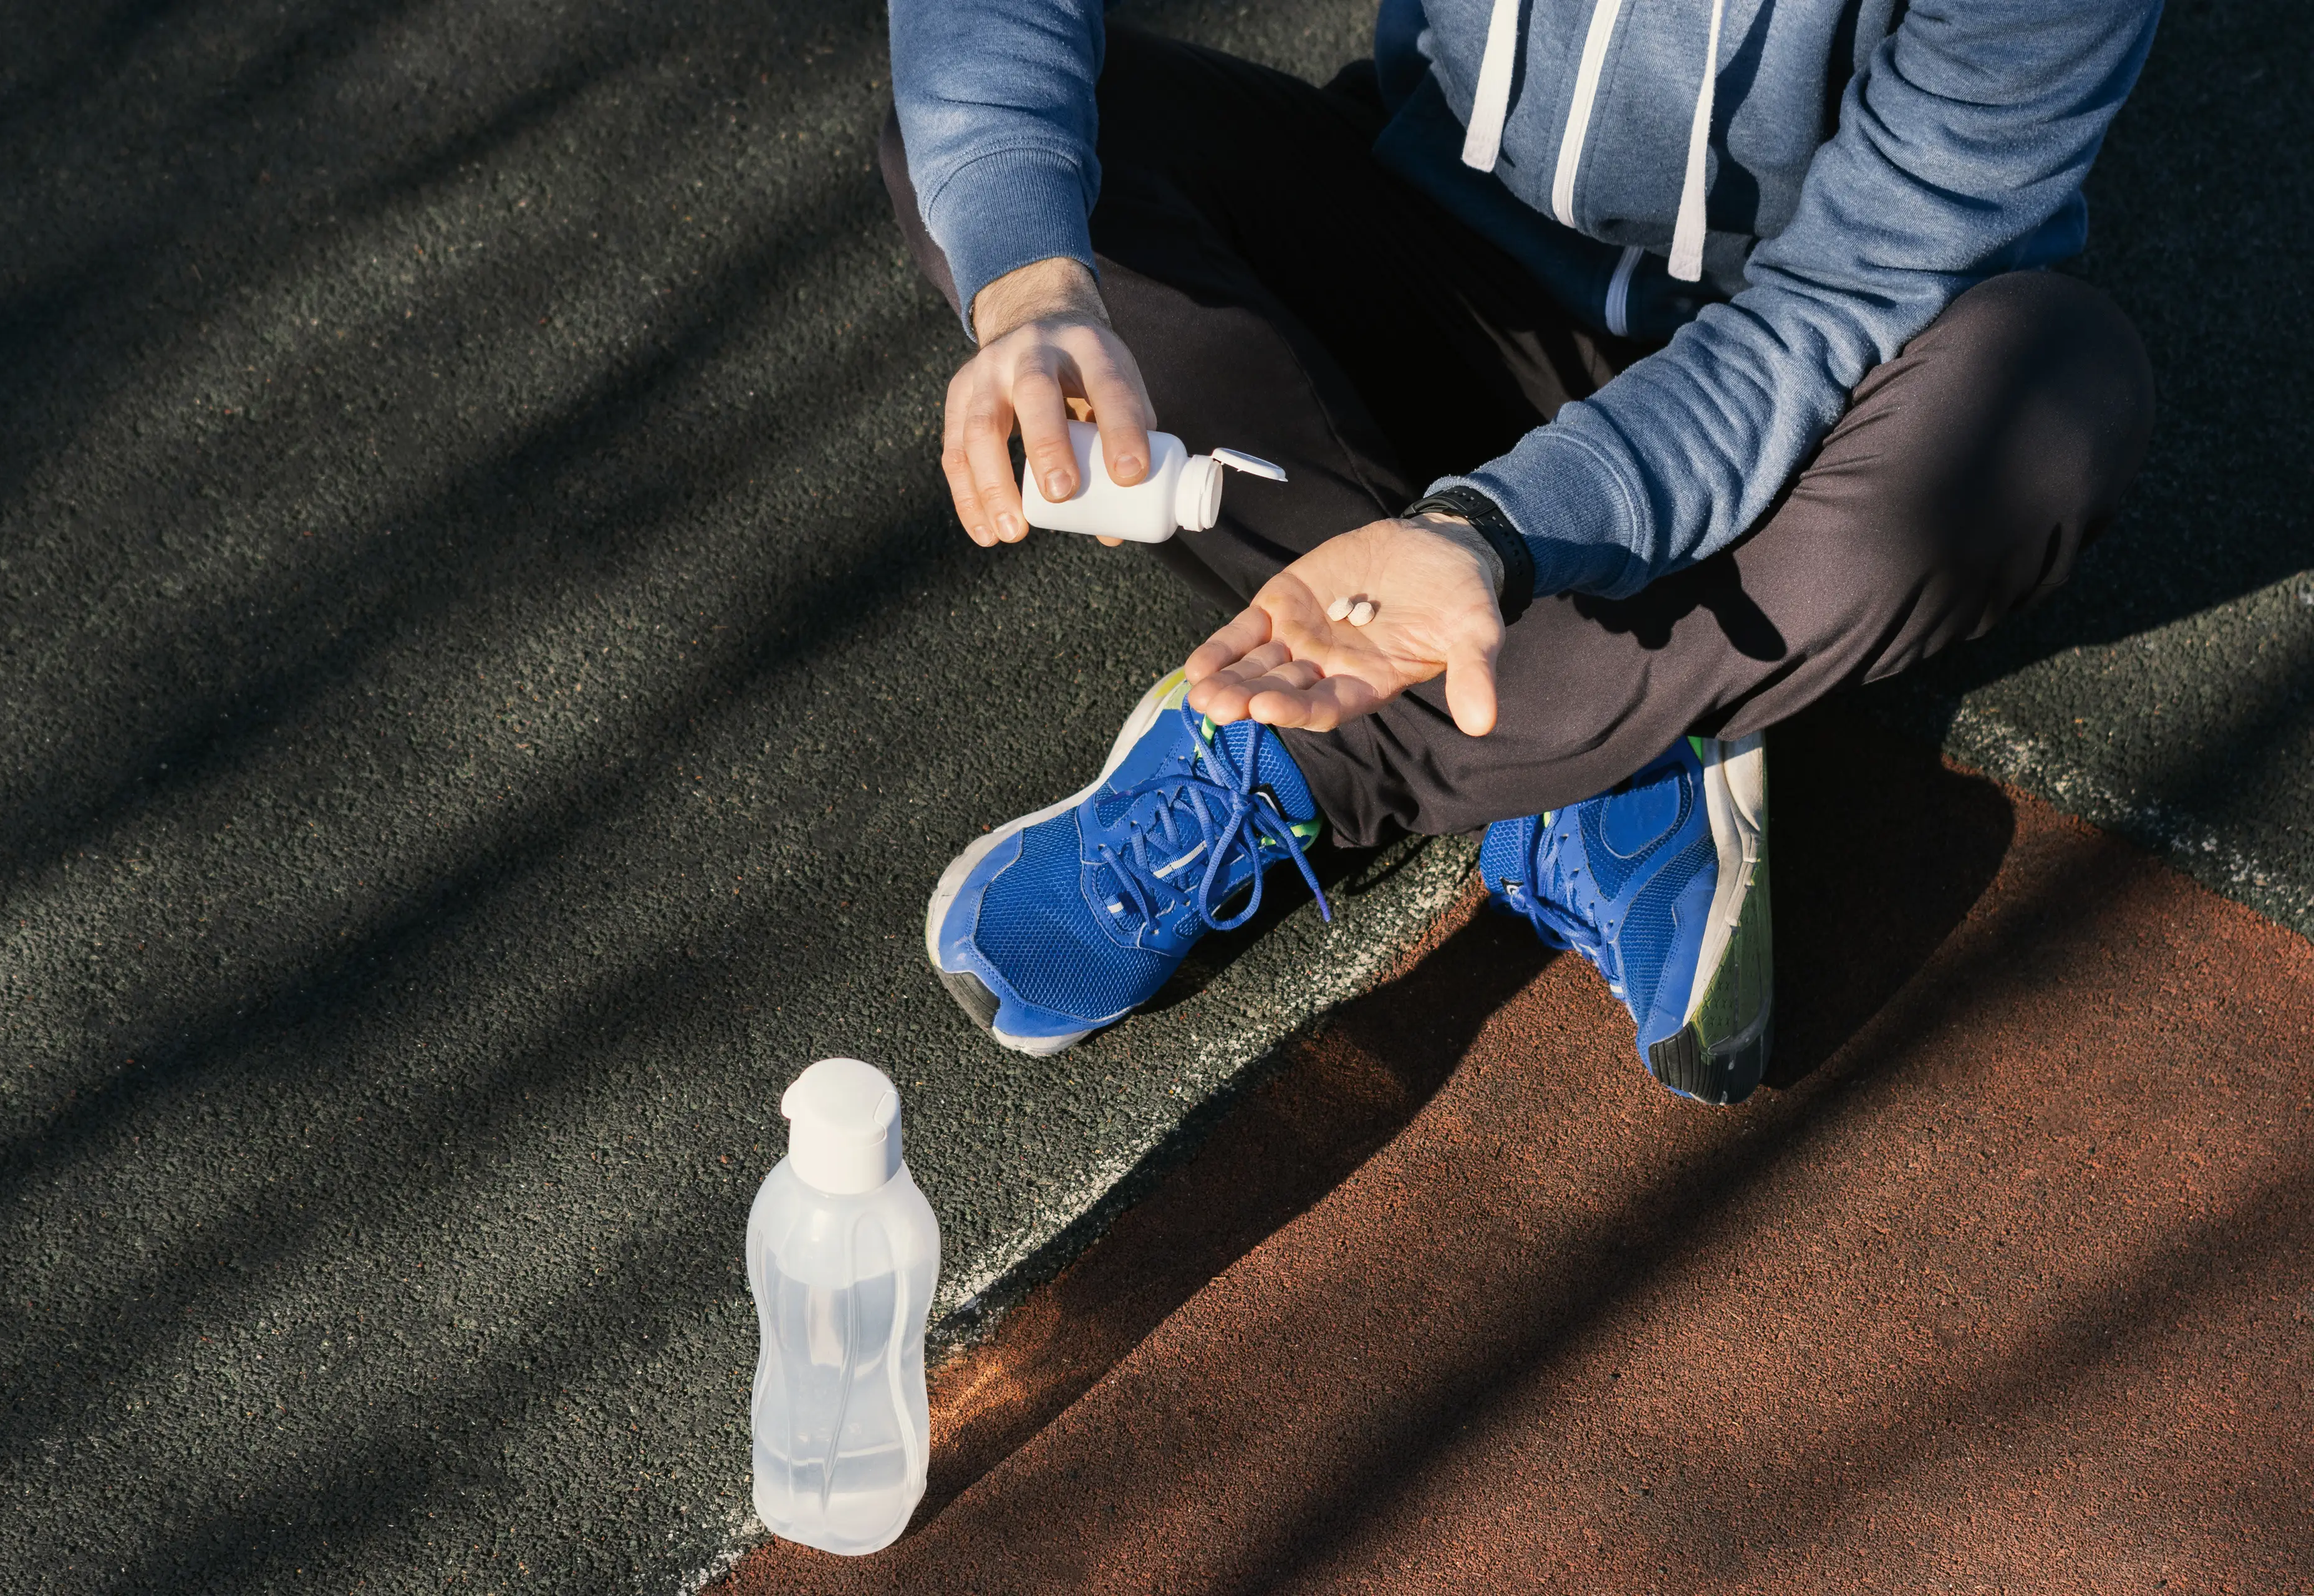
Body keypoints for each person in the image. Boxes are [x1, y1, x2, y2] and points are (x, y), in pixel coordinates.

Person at [888, 0, 2159, 1103]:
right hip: (1430, 253)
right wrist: (1031, 293)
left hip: (1796, 394)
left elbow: (1832, 311)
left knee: (2051, 403)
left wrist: (1485, 534)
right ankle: (1624, 709)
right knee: (1003, 167)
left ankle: (1338, 749)